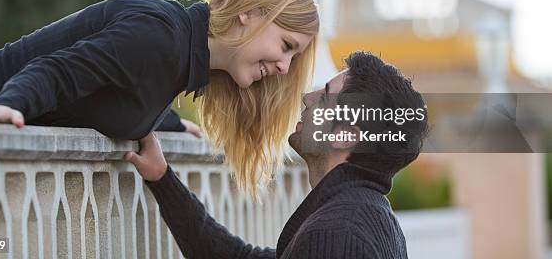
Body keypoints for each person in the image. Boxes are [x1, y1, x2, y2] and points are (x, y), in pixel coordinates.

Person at [0, 0, 319, 196]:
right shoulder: (159, 38)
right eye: (286, 45)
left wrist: (168, 123)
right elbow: (57, 70)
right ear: (249, 11)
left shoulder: (176, 59)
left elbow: (115, 89)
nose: (284, 68)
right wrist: (8, 106)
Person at [126, 51, 430, 259]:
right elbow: (235, 257)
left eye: (323, 97)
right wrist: (162, 178)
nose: (308, 98)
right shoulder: (365, 216)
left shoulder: (337, 233)